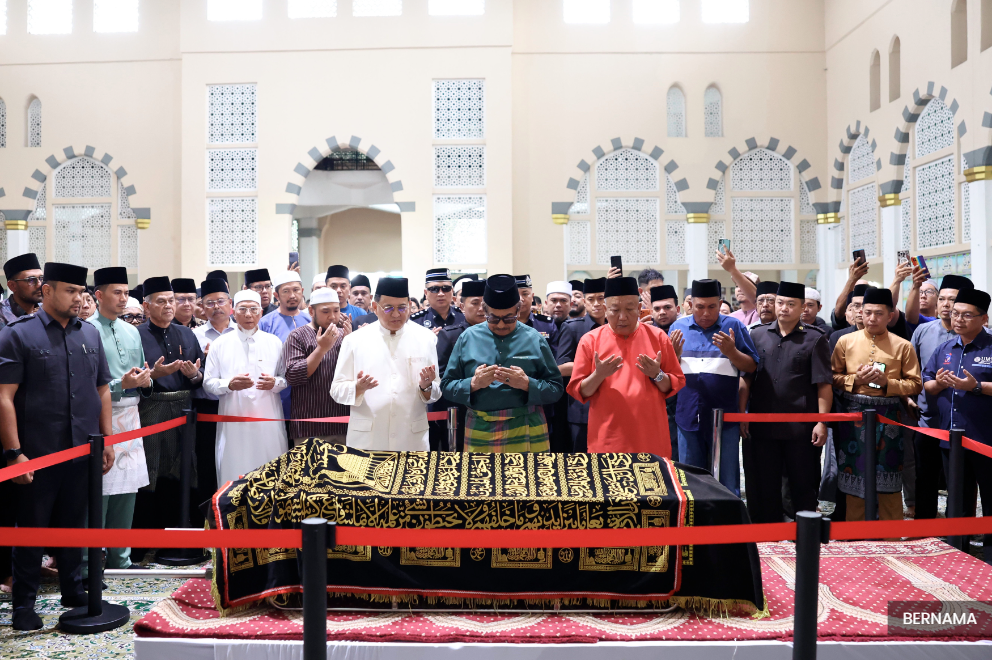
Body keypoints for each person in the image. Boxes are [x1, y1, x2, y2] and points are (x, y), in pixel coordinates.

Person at [0, 262, 113, 631]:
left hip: (83, 449)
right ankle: (24, 604)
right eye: (70, 290)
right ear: (47, 291)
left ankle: (72, 589)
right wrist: (14, 453)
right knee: (31, 529)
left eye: (82, 291)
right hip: (37, 452)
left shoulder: (90, 334)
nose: (79, 298)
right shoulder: (18, 334)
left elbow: (102, 389)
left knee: (73, 524)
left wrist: (106, 439)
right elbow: (4, 397)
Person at [741, 282, 832, 523]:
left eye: (791, 304)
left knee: (802, 483)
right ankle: (768, 533)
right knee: (765, 483)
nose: (783, 308)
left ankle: (804, 535)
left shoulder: (815, 339)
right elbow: (747, 379)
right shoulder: (757, 334)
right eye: (780, 303)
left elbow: (823, 384)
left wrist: (821, 422)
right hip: (763, 424)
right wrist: (743, 415)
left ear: (802, 308)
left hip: (800, 428)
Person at [441, 275, 564, 453]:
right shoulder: (468, 338)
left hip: (527, 424)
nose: (500, 325)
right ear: (484, 310)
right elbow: (446, 386)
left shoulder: (534, 338)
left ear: (518, 309)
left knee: (528, 481)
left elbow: (556, 389)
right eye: (493, 318)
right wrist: (473, 384)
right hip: (481, 429)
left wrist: (528, 385)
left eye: (508, 318)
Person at [831, 287, 921, 522]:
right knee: (853, 474)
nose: (872, 318)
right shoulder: (845, 341)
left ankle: (890, 536)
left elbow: (915, 384)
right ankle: (855, 535)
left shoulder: (903, 345)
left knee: (889, 475)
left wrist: (887, 383)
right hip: (853, 414)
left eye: (879, 313)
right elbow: (832, 377)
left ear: (890, 316)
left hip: (889, 414)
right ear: (860, 312)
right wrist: (854, 380)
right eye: (867, 312)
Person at [568, 277, 684, 455]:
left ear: (639, 309)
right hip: (607, 439)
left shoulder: (658, 337)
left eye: (630, 309)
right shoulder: (590, 341)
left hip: (650, 438)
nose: (622, 317)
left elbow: (673, 385)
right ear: (606, 310)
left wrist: (657, 374)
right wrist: (599, 375)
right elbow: (580, 391)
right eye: (615, 310)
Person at [87, 267, 153, 573]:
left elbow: (140, 372)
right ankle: (89, 565)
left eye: (126, 293)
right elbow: (85, 386)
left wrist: (146, 380)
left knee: (127, 492)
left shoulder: (131, 331)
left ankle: (121, 561)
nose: (124, 298)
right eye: (117, 292)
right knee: (98, 493)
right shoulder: (84, 330)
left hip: (132, 416)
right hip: (101, 419)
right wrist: (119, 385)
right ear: (98, 295)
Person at [922, 288, 992, 563]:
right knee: (958, 500)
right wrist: (939, 383)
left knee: (989, 501)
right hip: (951, 438)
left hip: (986, 440)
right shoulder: (944, 348)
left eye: (966, 315)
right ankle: (958, 553)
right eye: (954, 314)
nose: (958, 320)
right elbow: (927, 384)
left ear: (983, 318)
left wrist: (977, 388)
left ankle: (988, 558)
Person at [669, 279, 758, 495]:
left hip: (724, 418)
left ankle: (728, 526)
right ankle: (693, 526)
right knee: (689, 480)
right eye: (700, 307)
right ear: (691, 305)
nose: (706, 313)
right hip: (687, 415)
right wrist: (674, 354)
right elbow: (666, 370)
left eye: (711, 307)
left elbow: (752, 366)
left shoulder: (733, 326)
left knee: (727, 481)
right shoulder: (678, 327)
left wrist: (732, 352)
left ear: (719, 304)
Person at [330, 277, 439, 450]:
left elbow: (436, 392)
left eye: (402, 308)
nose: (396, 314)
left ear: (410, 306)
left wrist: (426, 387)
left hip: (411, 440)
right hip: (367, 440)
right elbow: (336, 391)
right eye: (388, 308)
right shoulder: (354, 341)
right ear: (375, 307)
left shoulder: (426, 339)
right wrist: (357, 388)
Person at [134, 277, 205, 539]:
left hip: (184, 408)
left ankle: (178, 535)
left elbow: (201, 375)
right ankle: (147, 539)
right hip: (152, 409)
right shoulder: (136, 335)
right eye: (161, 301)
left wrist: (194, 375)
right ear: (146, 306)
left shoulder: (187, 334)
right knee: (152, 472)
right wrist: (154, 374)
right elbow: (133, 378)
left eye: (171, 301)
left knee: (184, 469)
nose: (168, 306)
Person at [204, 290, 288, 485]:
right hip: (234, 423)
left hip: (268, 421)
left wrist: (274, 383)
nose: (248, 314)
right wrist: (229, 384)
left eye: (253, 309)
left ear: (261, 312)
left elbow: (285, 378)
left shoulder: (274, 342)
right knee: (234, 473)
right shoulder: (220, 344)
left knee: (271, 473)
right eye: (243, 309)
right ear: (233, 311)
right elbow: (208, 383)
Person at [909, 274, 974, 520]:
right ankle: (924, 528)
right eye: (943, 299)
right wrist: (908, 397)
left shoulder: (981, 336)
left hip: (964, 424)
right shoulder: (923, 332)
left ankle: (956, 533)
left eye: (953, 300)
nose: (947, 305)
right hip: (928, 420)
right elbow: (912, 370)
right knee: (924, 476)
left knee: (960, 481)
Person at [191, 278, 235, 517]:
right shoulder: (195, 336)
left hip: (237, 405)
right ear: (202, 307)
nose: (216, 306)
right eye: (210, 303)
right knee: (207, 462)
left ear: (230, 303)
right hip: (206, 405)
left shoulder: (243, 331)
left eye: (221, 301)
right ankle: (209, 521)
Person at [284, 288, 349, 446]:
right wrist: (321, 349)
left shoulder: (345, 335)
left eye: (336, 310)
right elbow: (293, 375)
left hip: (343, 425)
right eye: (326, 311)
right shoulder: (297, 336)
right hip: (308, 427)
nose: (333, 317)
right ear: (311, 310)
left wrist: (351, 345)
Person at [430, 279, 488, 452]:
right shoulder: (450, 336)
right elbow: (440, 375)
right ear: (462, 307)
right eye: (475, 303)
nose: (481, 309)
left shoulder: (498, 334)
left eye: (485, 304)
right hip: (458, 411)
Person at [555, 278, 607, 453]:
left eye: (601, 298)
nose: (597, 304)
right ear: (584, 302)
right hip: (582, 410)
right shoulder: (572, 328)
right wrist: (594, 366)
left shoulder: (617, 327)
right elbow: (560, 367)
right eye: (591, 299)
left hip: (611, 406)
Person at [258, 271, 311, 419]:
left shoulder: (311, 321)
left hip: (308, 389)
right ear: (276, 295)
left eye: (296, 290)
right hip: (278, 391)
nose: (292, 295)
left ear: (302, 292)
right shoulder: (266, 323)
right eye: (286, 291)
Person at [649, 285, 683, 460]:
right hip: (652, 407)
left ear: (677, 309)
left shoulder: (687, 331)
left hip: (682, 406)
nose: (662, 312)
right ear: (651, 311)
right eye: (657, 308)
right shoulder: (645, 335)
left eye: (667, 307)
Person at [410, 267, 465, 332]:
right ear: (426, 293)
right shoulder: (416, 321)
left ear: (452, 291)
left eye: (446, 288)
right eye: (434, 289)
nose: (441, 294)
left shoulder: (464, 317)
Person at [0, 253, 44, 330]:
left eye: (41, 278)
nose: (39, 285)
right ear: (12, 286)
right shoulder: (2, 315)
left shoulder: (46, 311)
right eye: (30, 280)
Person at [515, 274, 557, 345]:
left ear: (532, 297)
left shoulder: (547, 324)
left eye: (525, 294)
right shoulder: (504, 324)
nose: (520, 299)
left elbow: (555, 354)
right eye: (516, 295)